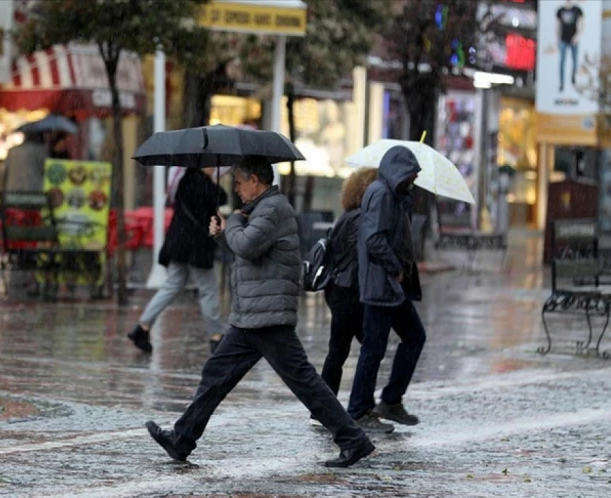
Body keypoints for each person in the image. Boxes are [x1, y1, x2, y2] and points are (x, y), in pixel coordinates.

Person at [145, 157, 375, 468]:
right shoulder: (258, 210)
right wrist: (225, 231)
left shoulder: (273, 209)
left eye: (239, 182)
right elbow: (246, 252)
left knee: (304, 381)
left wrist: (233, 223)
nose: (236, 189)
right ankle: (182, 438)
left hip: (267, 314)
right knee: (216, 374)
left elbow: (248, 245)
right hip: (251, 314)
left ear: (255, 180)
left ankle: (353, 439)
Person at [347, 145, 427, 433]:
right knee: (374, 349)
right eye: (411, 175)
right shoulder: (381, 194)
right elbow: (374, 239)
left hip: (394, 286)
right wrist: (394, 266)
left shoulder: (394, 195)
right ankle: (359, 410)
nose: (414, 180)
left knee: (414, 337)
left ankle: (390, 400)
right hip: (382, 284)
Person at [128, 167, 229, 354]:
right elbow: (222, 197)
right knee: (208, 289)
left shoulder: (184, 181)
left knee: (172, 285)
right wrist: (214, 184)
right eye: (210, 165)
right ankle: (216, 336)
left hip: (178, 242)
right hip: (195, 246)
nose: (214, 168)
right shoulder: (203, 184)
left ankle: (142, 326)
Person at [310, 168, 378, 427]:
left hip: (340, 291)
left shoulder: (348, 216)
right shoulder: (361, 219)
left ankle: (323, 409)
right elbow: (362, 257)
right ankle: (359, 407)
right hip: (351, 293)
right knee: (369, 348)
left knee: (338, 352)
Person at [556, 0, 584, 92]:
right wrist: (558, 39)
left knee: (575, 61)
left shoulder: (577, 10)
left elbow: (581, 24)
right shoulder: (560, 10)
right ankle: (561, 83)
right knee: (562, 62)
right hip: (563, 39)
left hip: (573, 40)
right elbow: (558, 26)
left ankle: (573, 78)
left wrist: (577, 36)